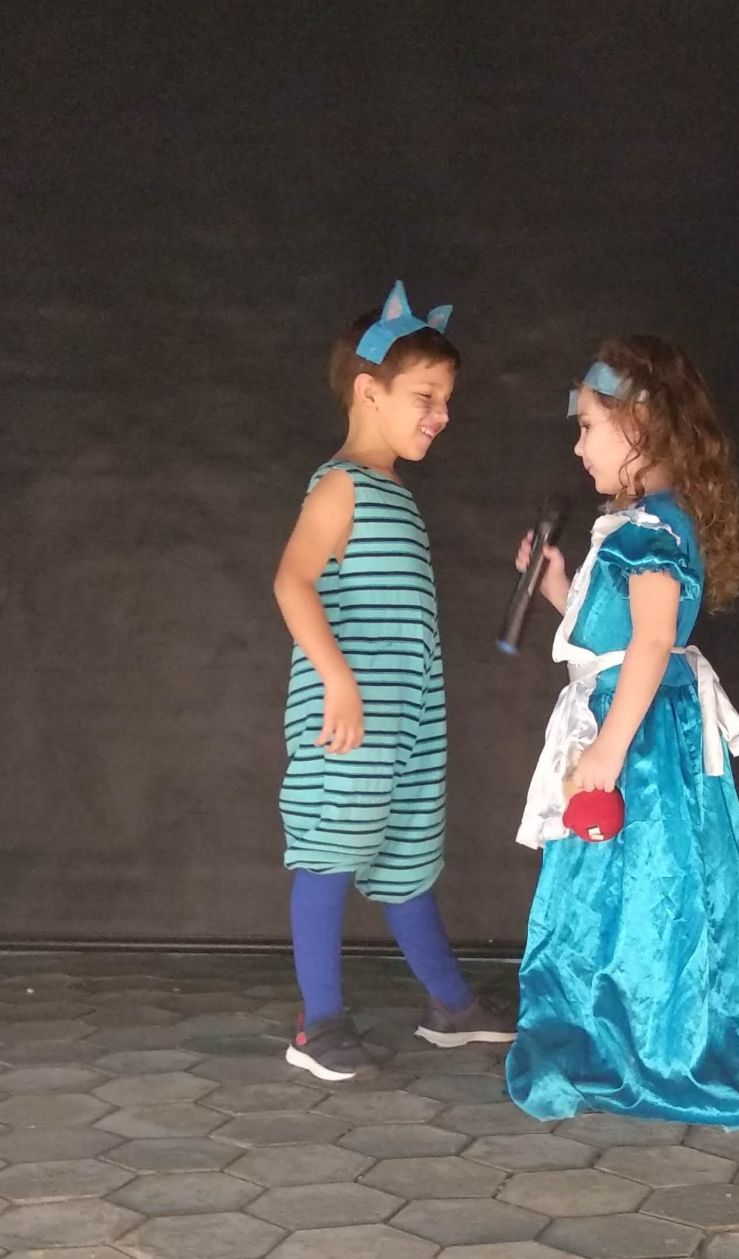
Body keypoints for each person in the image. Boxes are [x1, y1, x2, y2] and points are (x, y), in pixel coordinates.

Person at [505, 336, 739, 1126]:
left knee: (646, 893)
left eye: (589, 425)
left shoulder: (648, 530)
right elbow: (619, 634)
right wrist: (561, 589)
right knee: (629, 891)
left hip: (643, 746)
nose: (578, 445)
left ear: (641, 426)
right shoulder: (642, 524)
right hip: (642, 729)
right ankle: (627, 1030)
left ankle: (650, 1043)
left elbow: (654, 641)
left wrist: (607, 748)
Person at [273, 281, 512, 1081]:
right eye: (426, 397)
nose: (441, 414)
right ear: (368, 391)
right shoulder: (339, 485)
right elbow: (291, 582)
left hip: (407, 723)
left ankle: (450, 1006)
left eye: (447, 400)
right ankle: (317, 1023)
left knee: (408, 857)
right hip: (346, 719)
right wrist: (337, 681)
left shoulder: (395, 493)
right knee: (330, 851)